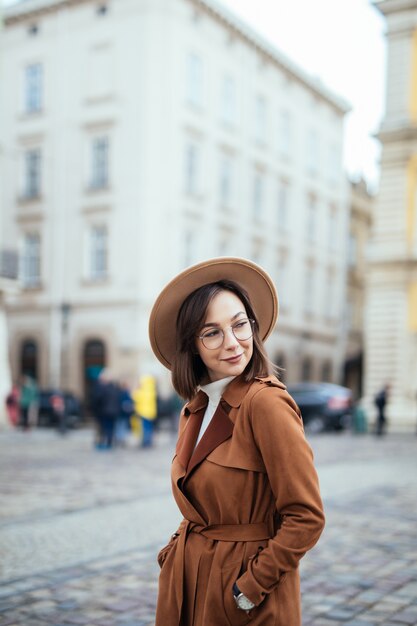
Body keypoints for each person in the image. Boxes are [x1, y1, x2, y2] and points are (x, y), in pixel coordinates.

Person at [148, 257, 325, 626]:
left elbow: (306, 517)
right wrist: (173, 552)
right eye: (211, 332)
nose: (232, 343)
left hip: (244, 601)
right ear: (192, 345)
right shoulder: (195, 408)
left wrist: (251, 586)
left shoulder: (266, 403)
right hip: (188, 587)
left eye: (240, 325)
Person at [132, 375, 157, 448]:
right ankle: (149, 442)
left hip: (143, 413)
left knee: (144, 428)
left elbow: (135, 397)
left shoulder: (141, 392)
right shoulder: (152, 391)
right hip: (151, 413)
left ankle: (145, 443)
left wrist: (136, 389)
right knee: (149, 428)